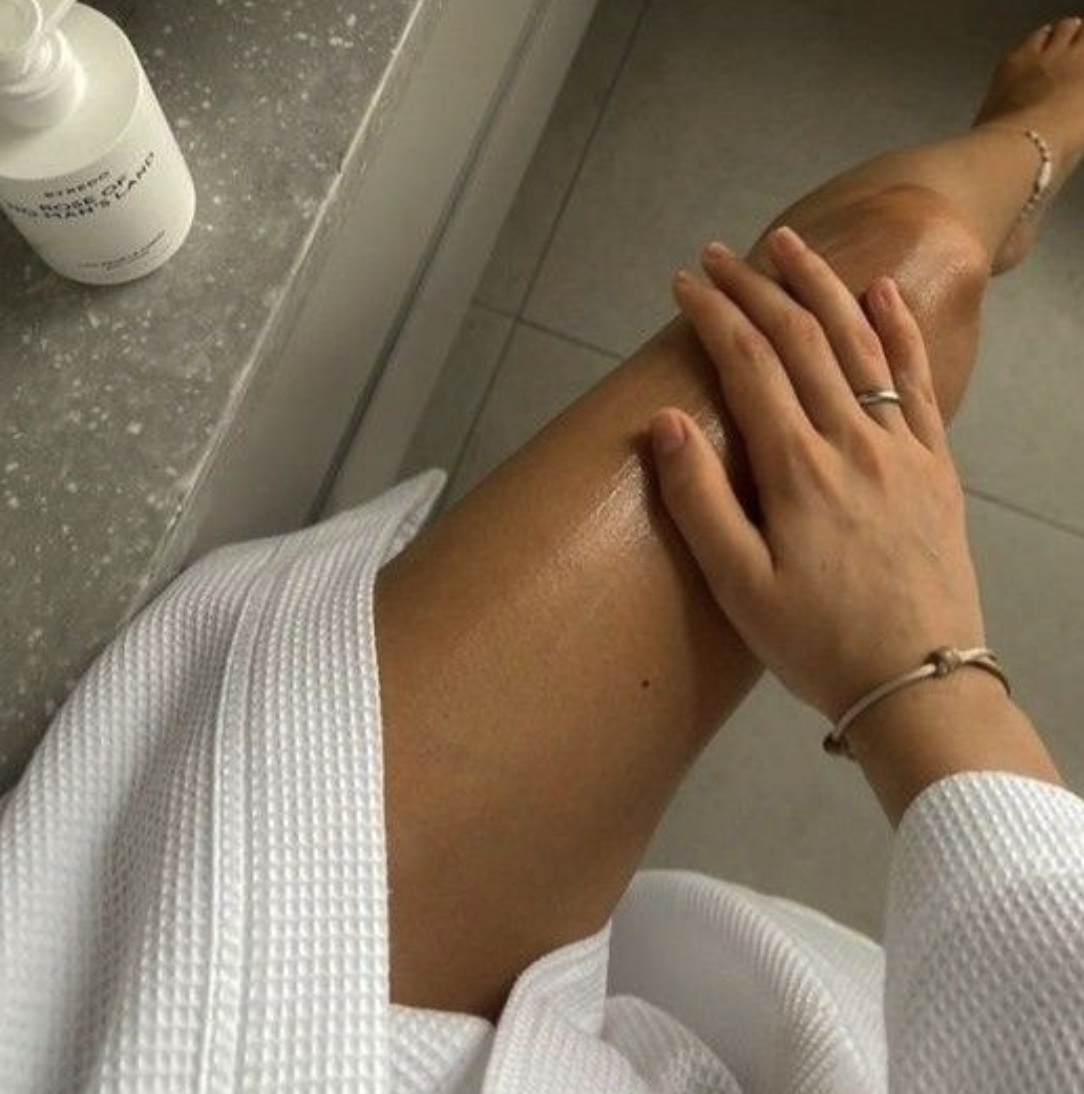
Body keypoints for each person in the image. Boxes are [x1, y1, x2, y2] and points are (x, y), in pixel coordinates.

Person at [2, 16, 1083, 1094]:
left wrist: (919, 678)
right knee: (902, 276)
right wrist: (919, 675)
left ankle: (1039, 133)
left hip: (221, 1023)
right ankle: (1036, 149)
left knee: (892, 262)